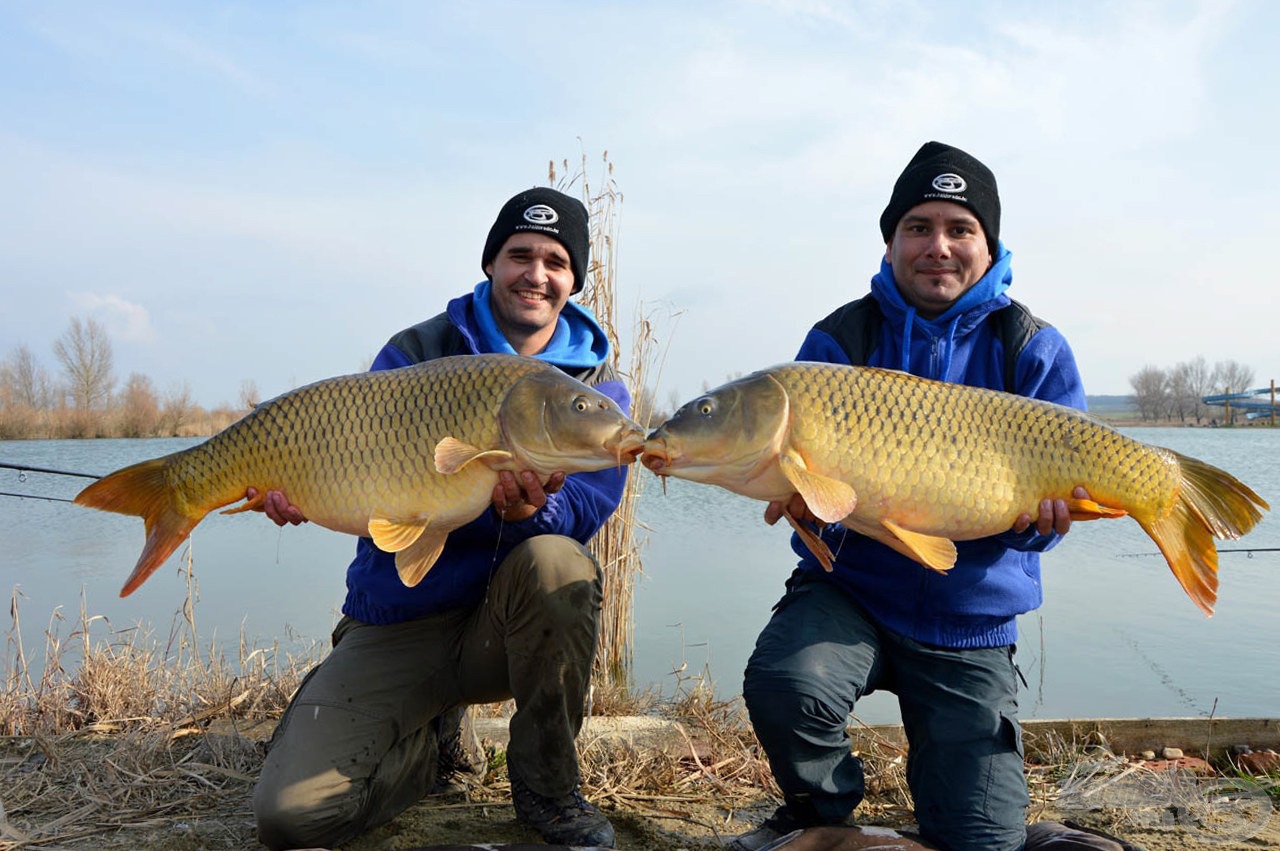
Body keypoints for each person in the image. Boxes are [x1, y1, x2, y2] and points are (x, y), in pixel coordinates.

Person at [731, 143, 1137, 851]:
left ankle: (1016, 832)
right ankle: (822, 815)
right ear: (891, 241)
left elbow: (1049, 524)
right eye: (918, 226)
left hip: (969, 618)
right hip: (849, 592)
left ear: (990, 243)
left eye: (959, 228)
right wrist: (803, 505)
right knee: (786, 682)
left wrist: (1041, 525)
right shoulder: (839, 340)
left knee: (984, 842)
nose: (938, 246)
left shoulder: (1031, 349)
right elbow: (805, 505)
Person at [249, 187, 627, 850]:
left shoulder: (595, 390)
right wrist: (296, 485)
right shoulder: (418, 350)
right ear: (491, 263)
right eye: (519, 254)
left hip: (506, 631)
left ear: (573, 278)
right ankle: (431, 751)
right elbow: (361, 477)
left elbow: (589, 509)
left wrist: (536, 508)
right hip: (401, 614)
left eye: (554, 260)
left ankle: (545, 788)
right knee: (290, 817)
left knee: (559, 563)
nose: (535, 274)